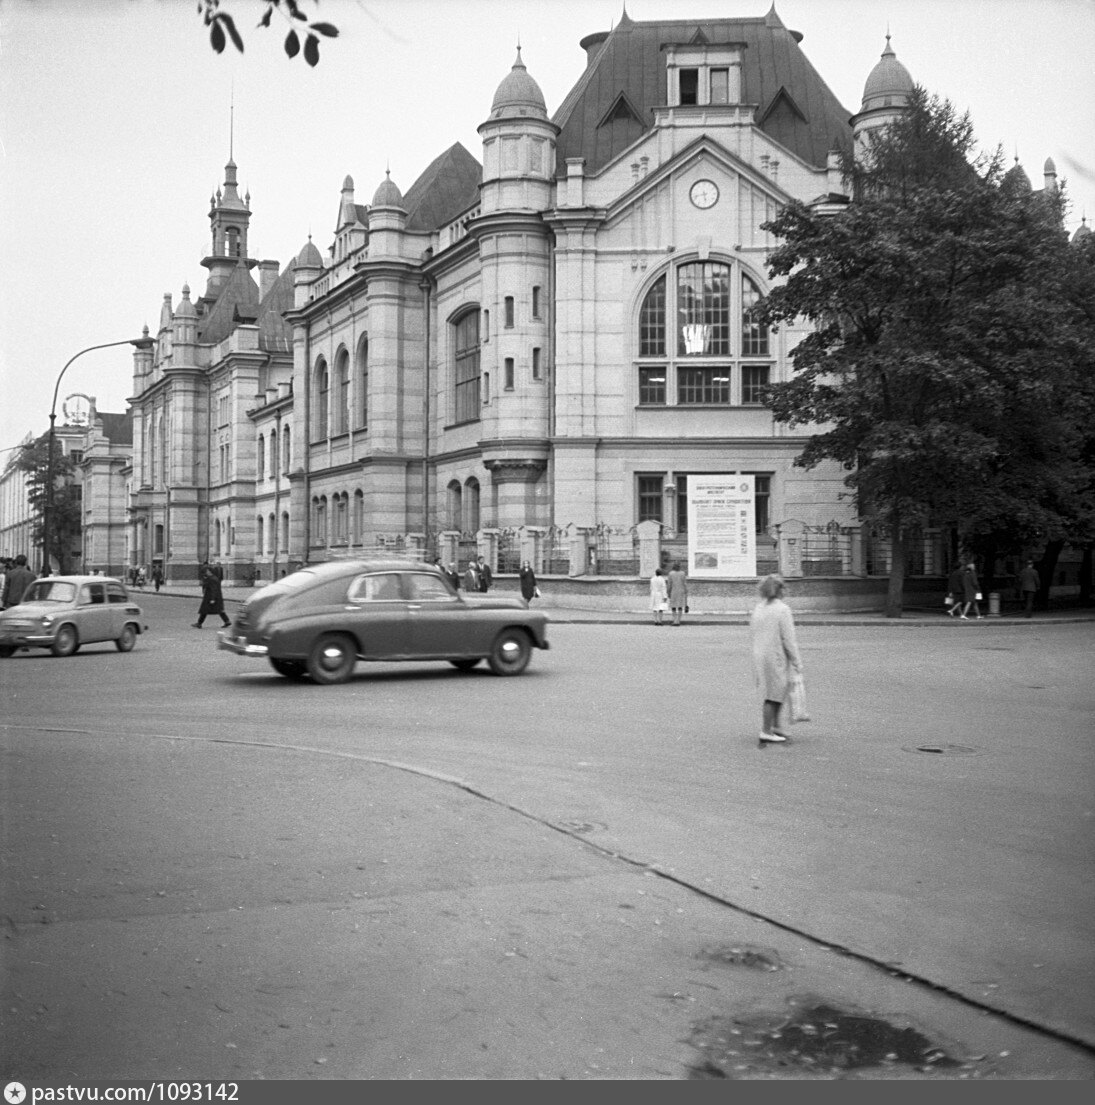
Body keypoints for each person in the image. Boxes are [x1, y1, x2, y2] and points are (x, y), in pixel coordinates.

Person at [749, 574, 803, 743]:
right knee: (773, 694)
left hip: (760, 654)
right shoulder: (782, 609)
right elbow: (788, 638)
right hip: (776, 655)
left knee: (775, 691)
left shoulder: (759, 607)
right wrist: (796, 661)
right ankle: (766, 730)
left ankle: (776, 726)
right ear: (779, 589)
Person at [193, 561, 231, 628]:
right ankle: (227, 621)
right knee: (218, 610)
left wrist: (212, 599)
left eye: (205, 572)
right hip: (215, 597)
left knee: (205, 610)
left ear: (208, 571)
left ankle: (199, 623)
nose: (205, 573)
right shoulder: (213, 578)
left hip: (210, 597)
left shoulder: (212, 579)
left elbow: (214, 589)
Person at [667, 561, 688, 625]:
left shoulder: (671, 573)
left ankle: (675, 620)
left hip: (673, 591)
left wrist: (668, 592)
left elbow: (669, 584)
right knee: (680, 606)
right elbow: (685, 583)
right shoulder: (682, 573)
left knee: (673, 606)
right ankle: (678, 621)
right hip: (681, 591)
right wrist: (686, 590)